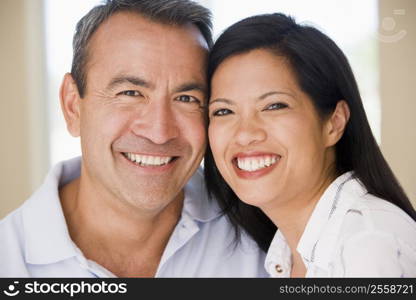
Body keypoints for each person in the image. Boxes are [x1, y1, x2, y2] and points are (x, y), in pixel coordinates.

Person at [0, 0, 268, 277]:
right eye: (130, 93)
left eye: (186, 98)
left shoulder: (265, 234)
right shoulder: (8, 261)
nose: (159, 132)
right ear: (72, 106)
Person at [204, 13, 416, 277]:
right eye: (223, 111)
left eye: (274, 106)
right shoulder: (284, 253)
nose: (245, 134)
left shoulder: (368, 246)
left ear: (334, 123)